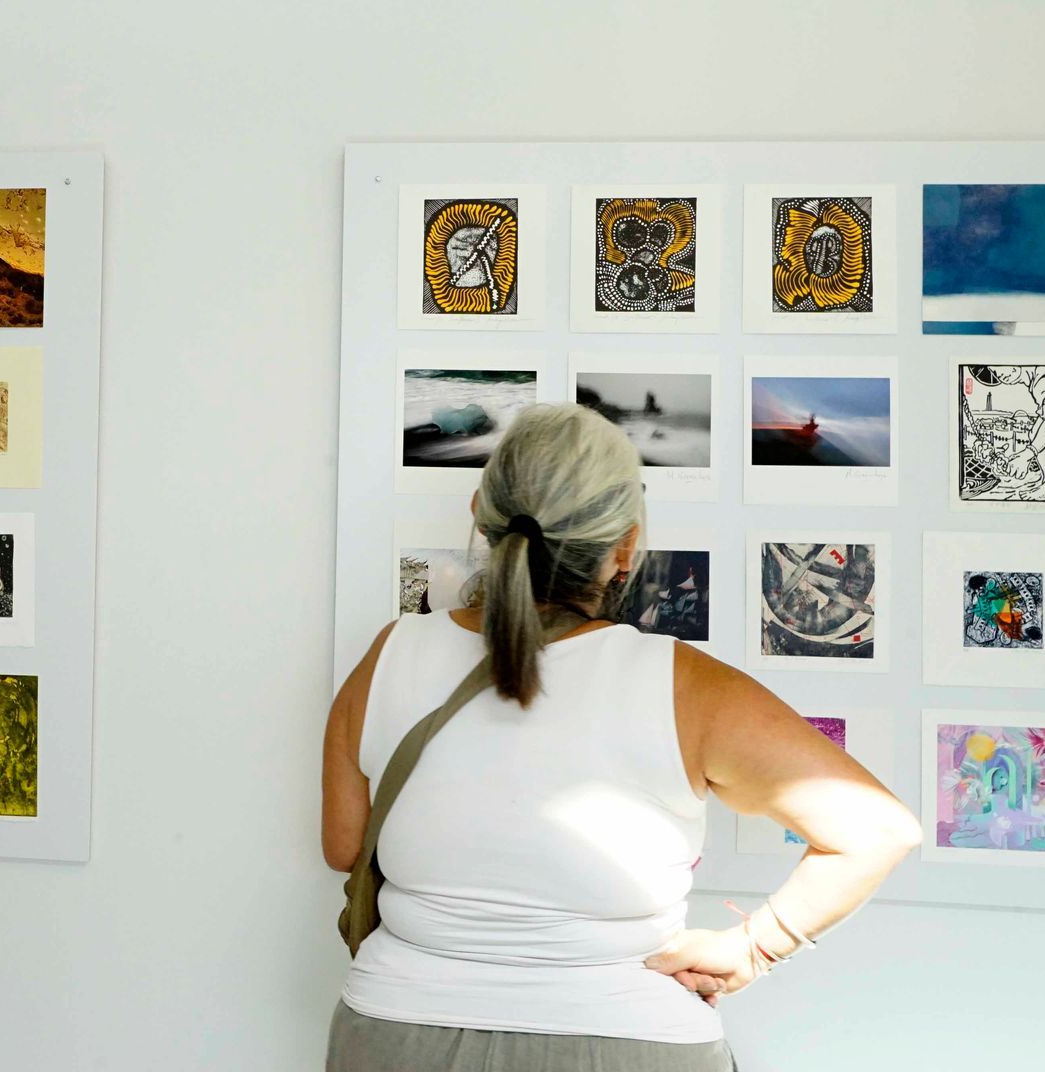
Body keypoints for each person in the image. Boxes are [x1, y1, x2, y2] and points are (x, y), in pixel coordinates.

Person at [321, 403, 920, 1071]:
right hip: (625, 1038)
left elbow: (345, 846)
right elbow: (878, 831)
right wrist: (755, 947)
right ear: (625, 547)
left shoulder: (391, 651)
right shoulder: (687, 685)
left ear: (479, 514)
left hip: (396, 1031)